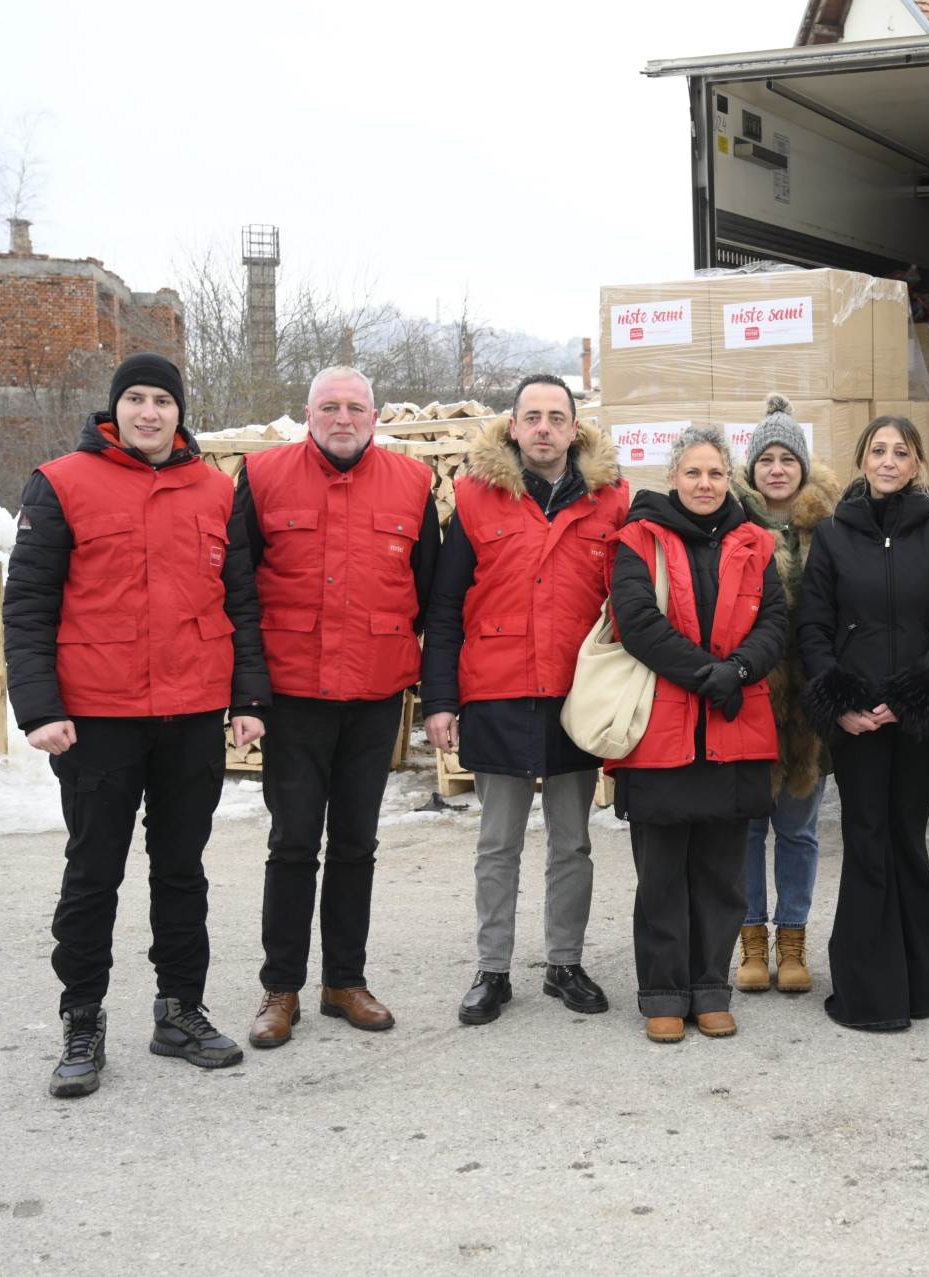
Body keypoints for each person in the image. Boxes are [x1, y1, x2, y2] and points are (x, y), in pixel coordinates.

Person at [5, 352, 269, 1098]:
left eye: (162, 400)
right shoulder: (60, 484)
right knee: (94, 872)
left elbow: (241, 603)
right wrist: (40, 707)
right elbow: (27, 605)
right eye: (136, 399)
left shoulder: (217, 491)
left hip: (190, 713)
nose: (149, 412)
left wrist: (248, 698)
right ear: (114, 409)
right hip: (96, 717)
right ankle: (82, 1019)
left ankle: (179, 1009)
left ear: (180, 412)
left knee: (182, 869)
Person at [234, 365, 440, 1049]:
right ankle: (281, 987)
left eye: (356, 406)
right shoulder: (262, 477)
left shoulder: (413, 485)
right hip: (293, 697)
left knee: (357, 843)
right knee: (293, 842)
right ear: (308, 414)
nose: (343, 418)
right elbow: (240, 595)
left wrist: (431, 690)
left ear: (376, 417)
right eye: (330, 407)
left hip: (375, 696)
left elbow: (433, 595)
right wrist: (248, 693)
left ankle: (343, 980)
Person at [421, 374, 630, 1025]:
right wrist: (440, 700)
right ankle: (493, 969)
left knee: (572, 843)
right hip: (498, 692)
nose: (543, 427)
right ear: (513, 427)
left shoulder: (611, 501)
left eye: (555, 416)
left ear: (575, 428)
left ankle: (564, 962)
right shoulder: (477, 501)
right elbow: (446, 608)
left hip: (577, 698)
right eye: (531, 416)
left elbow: (632, 603)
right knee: (497, 843)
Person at [605, 426, 787, 1044]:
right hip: (661, 732)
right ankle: (662, 992)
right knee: (660, 873)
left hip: (735, 727)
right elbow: (636, 620)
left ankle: (710, 989)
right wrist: (705, 674)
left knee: (721, 874)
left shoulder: (756, 542)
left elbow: (776, 620)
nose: (704, 484)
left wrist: (737, 670)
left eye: (714, 473)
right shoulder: (640, 538)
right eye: (693, 473)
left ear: (728, 477)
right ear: (673, 476)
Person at [797, 415, 929, 1031]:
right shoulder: (834, 536)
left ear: (918, 464)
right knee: (868, 839)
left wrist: (918, 691)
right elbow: (813, 628)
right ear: (863, 462)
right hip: (856, 719)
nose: (890, 461)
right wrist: (838, 700)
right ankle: (870, 993)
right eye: (878, 451)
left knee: (906, 839)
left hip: (918, 717)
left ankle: (919, 983)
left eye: (902, 452)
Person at [730, 394, 842, 995]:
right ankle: (750, 942)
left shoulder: (829, 527)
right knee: (748, 827)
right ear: (752, 469)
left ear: (803, 466)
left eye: (787, 458)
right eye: (766, 458)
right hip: (749, 697)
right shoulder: (732, 524)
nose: (777, 469)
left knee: (798, 829)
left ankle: (792, 940)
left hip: (808, 702)